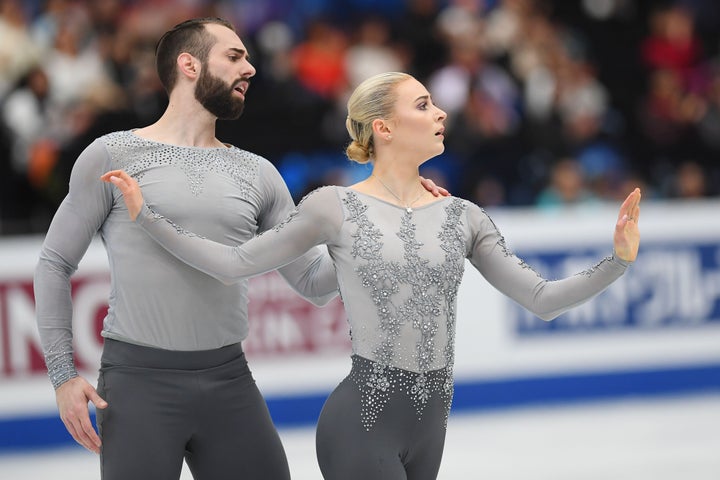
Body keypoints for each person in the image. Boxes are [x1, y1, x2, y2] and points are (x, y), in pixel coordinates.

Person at [103, 71, 641, 480]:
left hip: (432, 424)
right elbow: (234, 263)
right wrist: (148, 218)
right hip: (361, 422)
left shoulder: (463, 215)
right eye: (424, 105)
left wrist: (617, 260)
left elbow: (542, 299)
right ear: (383, 127)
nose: (442, 114)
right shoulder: (331, 207)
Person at [33, 17, 445, 480]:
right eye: (234, 57)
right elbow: (53, 263)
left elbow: (313, 282)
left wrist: (386, 220)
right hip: (137, 384)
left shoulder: (258, 173)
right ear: (189, 64)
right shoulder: (112, 155)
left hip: (228, 382)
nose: (249, 69)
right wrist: (63, 375)